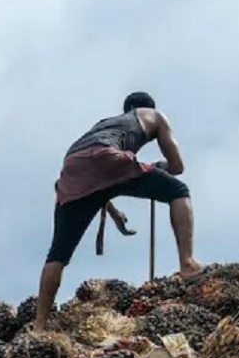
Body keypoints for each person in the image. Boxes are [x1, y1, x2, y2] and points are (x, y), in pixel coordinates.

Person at [33, 91, 205, 331]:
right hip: (109, 158)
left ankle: (39, 327)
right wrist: (158, 167)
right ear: (147, 107)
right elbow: (177, 167)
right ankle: (187, 263)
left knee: (58, 255)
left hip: (72, 169)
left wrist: (115, 216)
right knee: (178, 191)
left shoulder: (103, 124)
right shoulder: (153, 115)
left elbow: (97, 181)